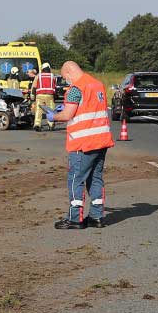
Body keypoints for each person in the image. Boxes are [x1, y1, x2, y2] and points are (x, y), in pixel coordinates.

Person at [44, 60, 114, 229]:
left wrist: (53, 116)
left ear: (68, 73)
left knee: (76, 179)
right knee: (95, 179)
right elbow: (88, 107)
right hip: (101, 141)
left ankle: (75, 218)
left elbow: (68, 115)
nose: (65, 80)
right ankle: (97, 217)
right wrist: (66, 107)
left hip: (83, 143)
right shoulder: (97, 85)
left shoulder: (75, 89)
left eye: (64, 77)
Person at [33, 62, 57, 132]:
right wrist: (55, 97)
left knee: (38, 110)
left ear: (42, 69)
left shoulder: (38, 76)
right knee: (50, 110)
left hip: (40, 95)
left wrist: (33, 96)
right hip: (50, 96)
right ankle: (51, 124)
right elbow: (55, 87)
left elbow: (34, 87)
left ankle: (37, 124)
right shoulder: (53, 76)